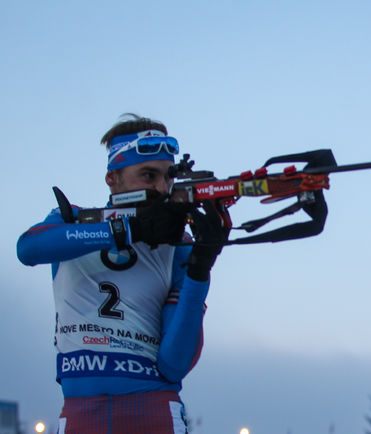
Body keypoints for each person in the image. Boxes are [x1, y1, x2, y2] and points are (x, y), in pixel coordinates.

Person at [16, 114, 229, 433]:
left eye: (168, 177)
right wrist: (125, 231)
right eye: (147, 175)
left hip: (153, 410)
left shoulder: (178, 245)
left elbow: (174, 365)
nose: (160, 188)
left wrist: (200, 271)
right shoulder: (72, 219)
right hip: (81, 413)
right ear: (112, 178)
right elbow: (28, 249)